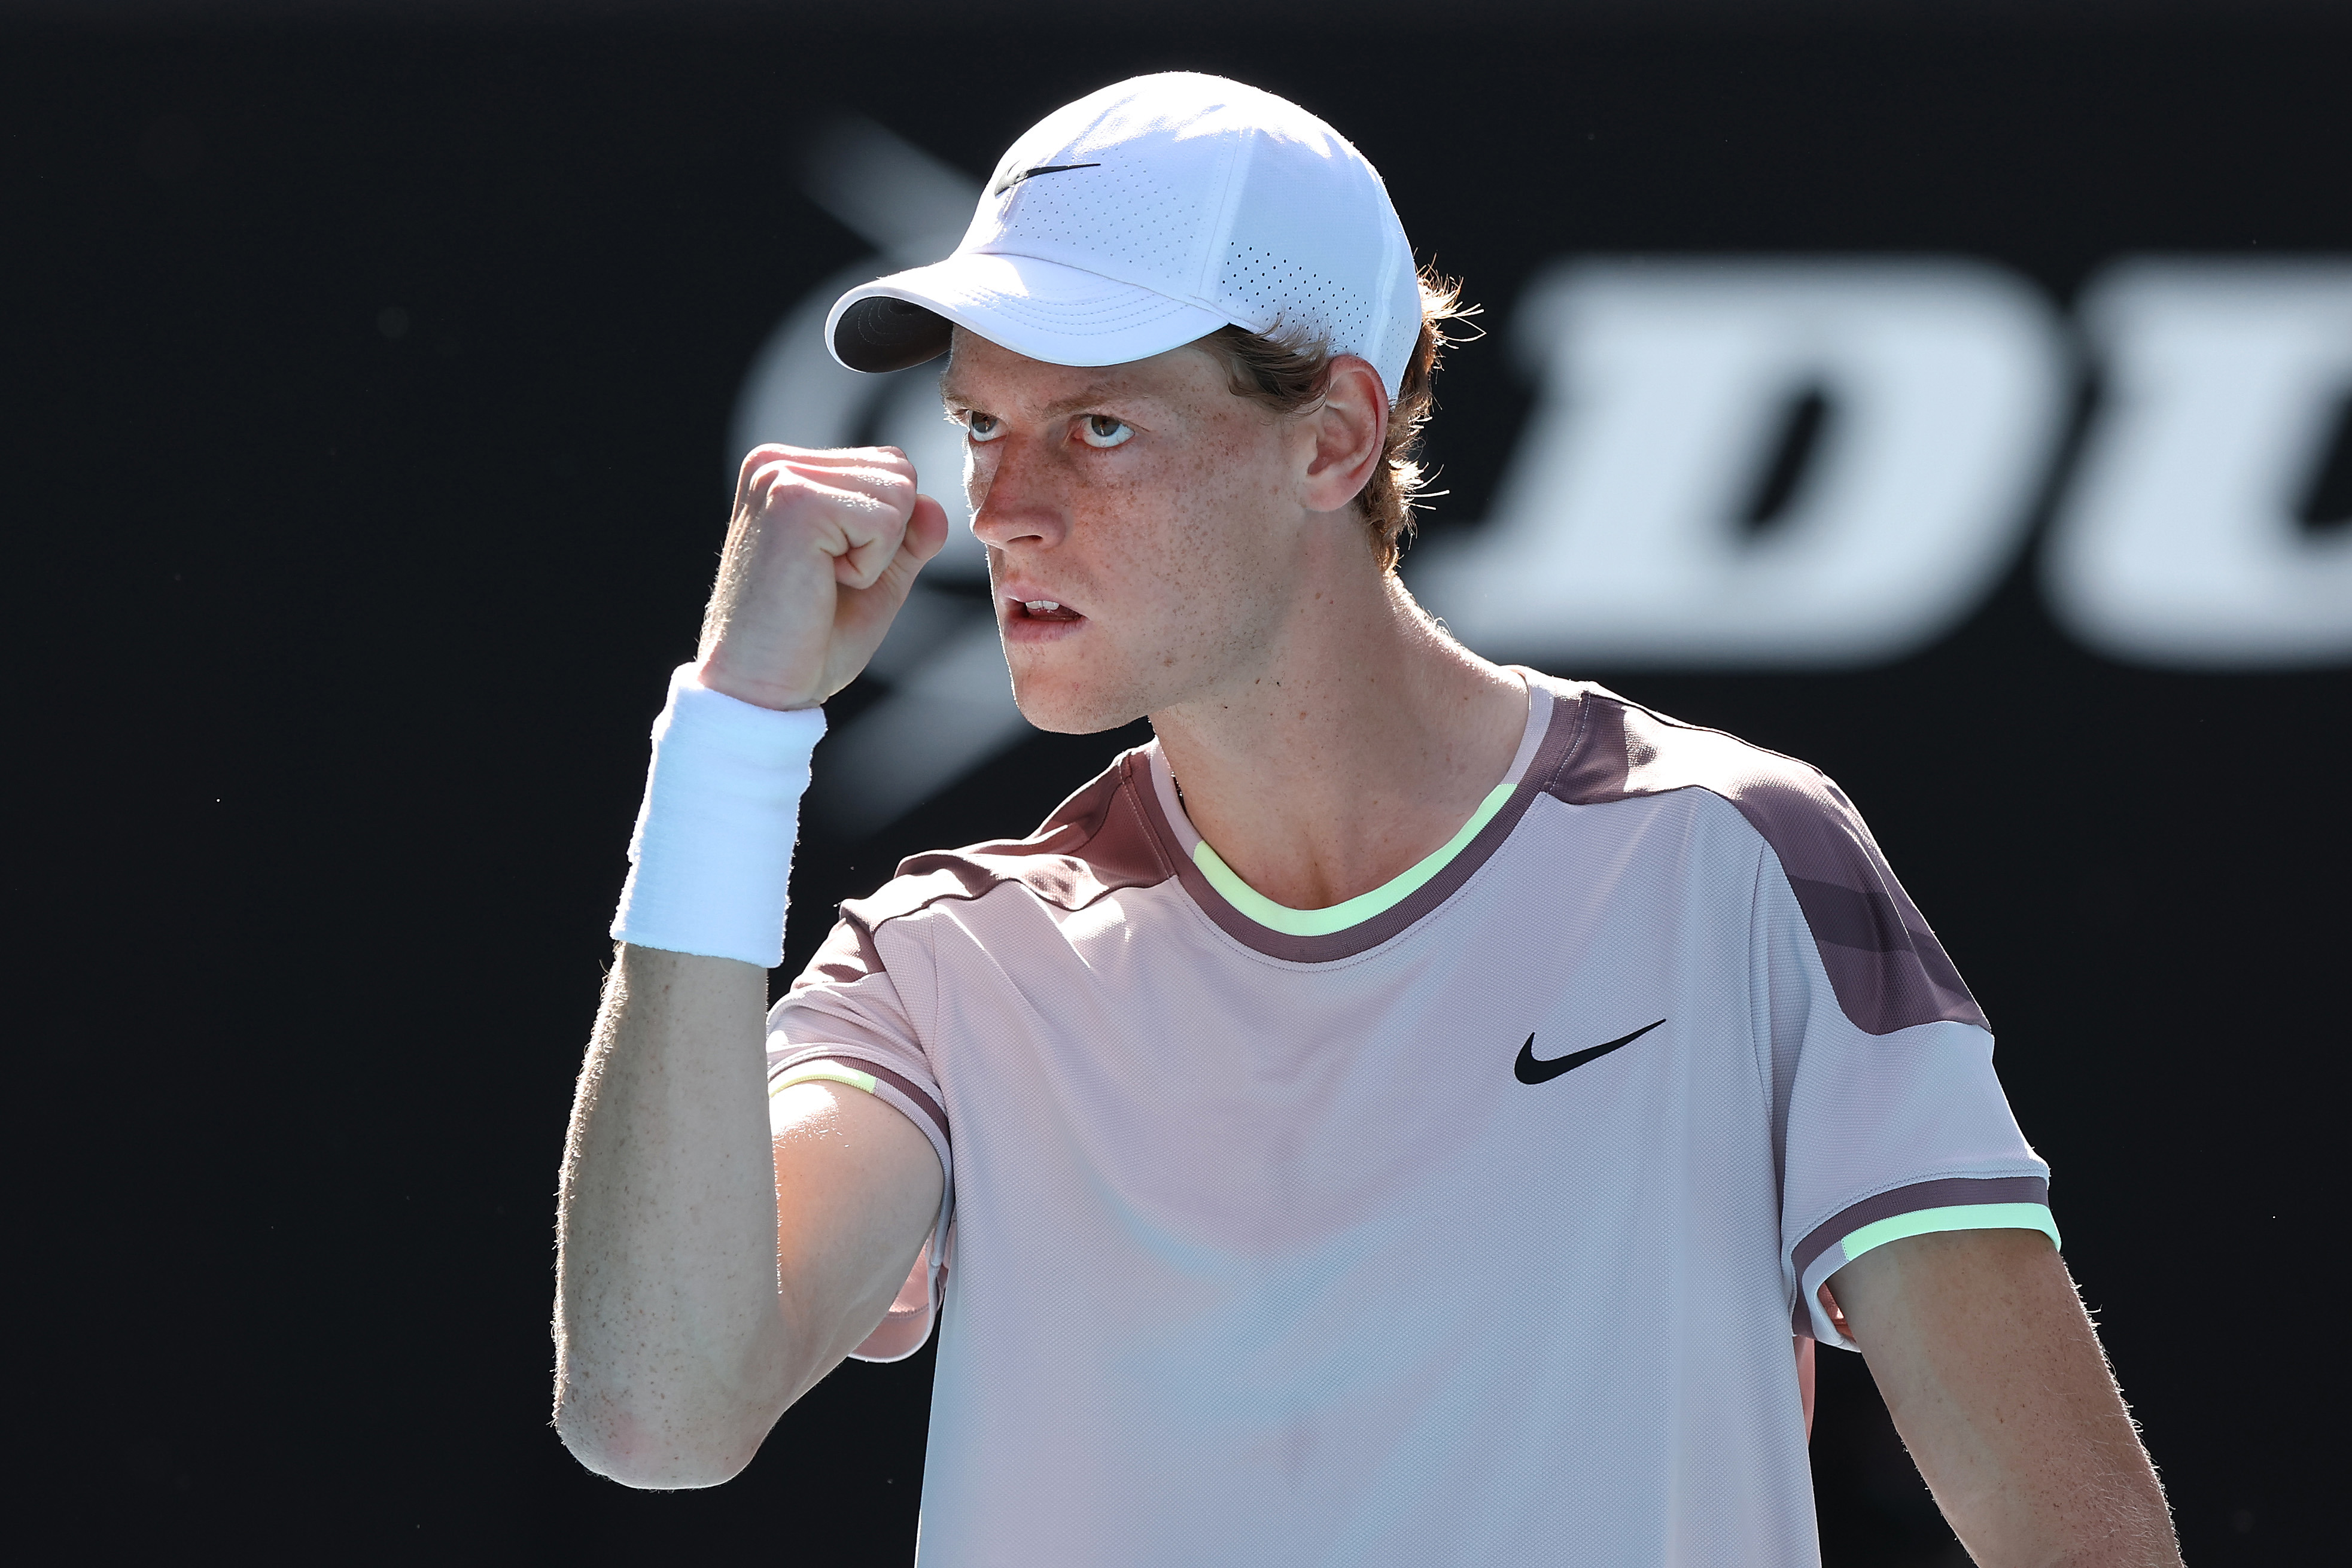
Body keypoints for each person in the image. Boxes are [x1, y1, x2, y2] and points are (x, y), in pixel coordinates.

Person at [552, 73, 2180, 1566]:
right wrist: (734, 738)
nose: (1004, 506)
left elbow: (2078, 1538)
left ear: (1330, 437)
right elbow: (656, 1413)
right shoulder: (943, 966)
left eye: (1097, 426)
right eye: (982, 423)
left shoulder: (1731, 861)